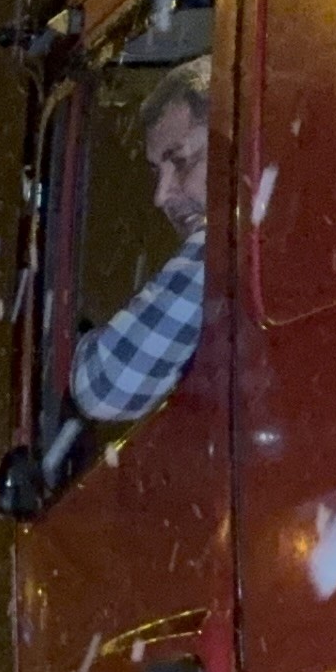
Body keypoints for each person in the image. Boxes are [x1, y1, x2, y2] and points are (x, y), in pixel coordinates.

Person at [69, 54, 212, 426]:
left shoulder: (227, 252)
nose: (161, 196)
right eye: (156, 172)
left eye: (180, 161)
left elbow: (105, 387)